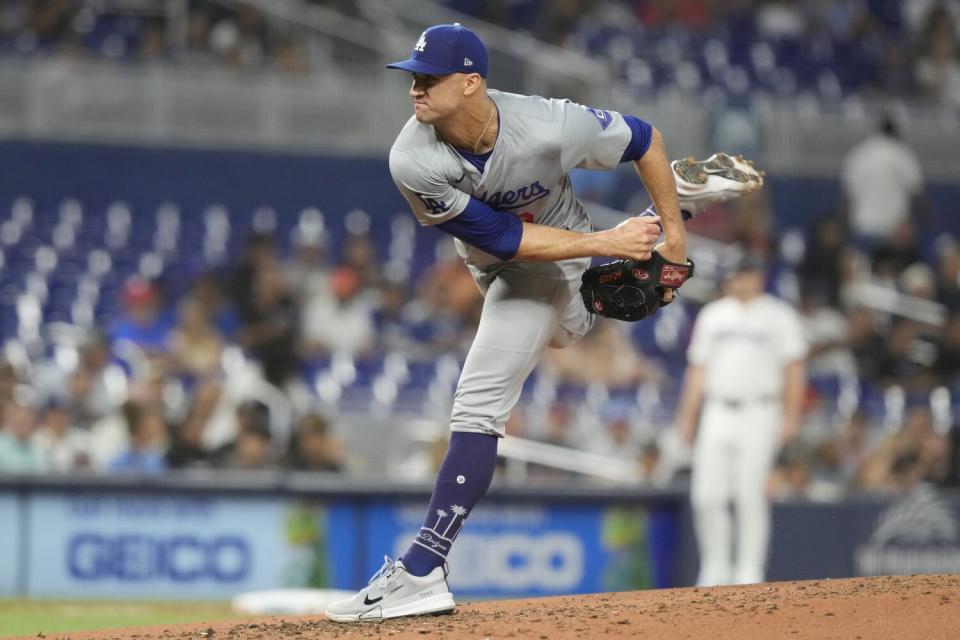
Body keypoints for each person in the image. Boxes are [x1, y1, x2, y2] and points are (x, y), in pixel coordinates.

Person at [325, 23, 761, 622]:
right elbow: (501, 237)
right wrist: (611, 238)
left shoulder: (548, 122)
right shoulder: (412, 159)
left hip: (549, 258)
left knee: (478, 405)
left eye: (429, 78)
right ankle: (683, 191)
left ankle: (422, 570)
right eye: (412, 77)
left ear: (473, 82)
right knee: (571, 327)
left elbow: (643, 137)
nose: (415, 89)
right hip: (510, 257)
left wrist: (675, 238)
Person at [675, 252, 807, 586]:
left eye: (744, 274)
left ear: (758, 276)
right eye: (734, 275)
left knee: (751, 495)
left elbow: (794, 369)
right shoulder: (714, 315)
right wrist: (687, 416)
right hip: (717, 410)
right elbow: (698, 369)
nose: (738, 280)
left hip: (760, 410)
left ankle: (749, 572)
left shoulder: (779, 315)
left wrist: (791, 416)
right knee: (706, 495)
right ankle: (715, 569)